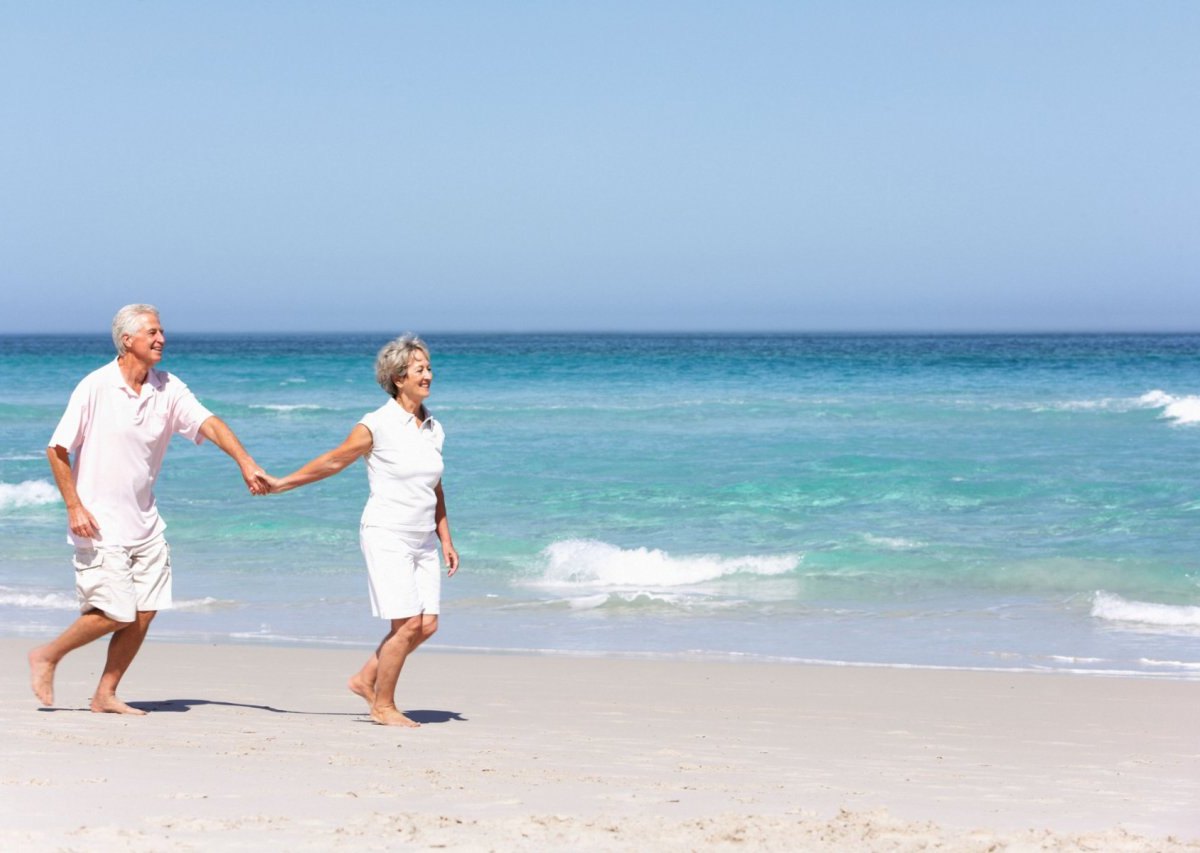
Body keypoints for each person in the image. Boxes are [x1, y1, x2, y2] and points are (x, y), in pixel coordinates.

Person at [28, 304, 267, 714]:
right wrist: (74, 506)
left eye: (161, 331)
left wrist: (245, 462)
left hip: (146, 523)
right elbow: (56, 448)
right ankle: (47, 655)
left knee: (144, 610)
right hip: (100, 525)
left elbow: (208, 422)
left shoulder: (167, 387)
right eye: (152, 332)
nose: (161, 339)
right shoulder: (96, 386)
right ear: (127, 340)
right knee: (113, 613)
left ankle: (104, 694)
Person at [256, 334, 458, 728]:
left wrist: (445, 538)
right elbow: (332, 462)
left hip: (422, 539)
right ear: (399, 378)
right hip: (387, 533)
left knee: (427, 625)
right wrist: (281, 483)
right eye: (420, 369)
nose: (429, 375)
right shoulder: (375, 425)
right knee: (407, 625)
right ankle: (383, 706)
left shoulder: (433, 427)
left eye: (429, 368)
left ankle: (365, 678)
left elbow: (435, 486)